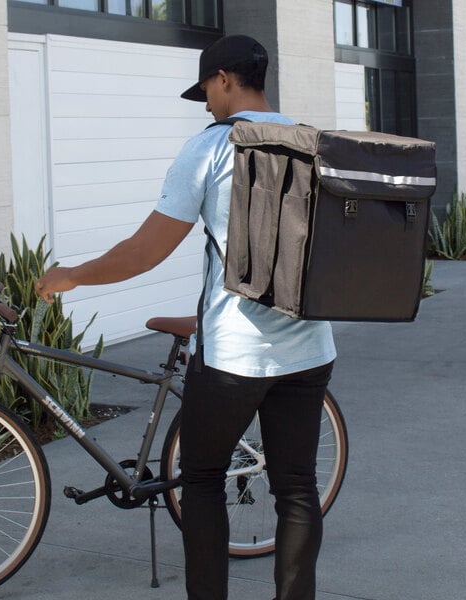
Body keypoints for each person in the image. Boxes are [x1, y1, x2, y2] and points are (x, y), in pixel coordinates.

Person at [35, 34, 336, 600]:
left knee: (200, 483)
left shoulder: (211, 149)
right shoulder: (314, 142)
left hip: (234, 356)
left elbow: (144, 251)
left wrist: (72, 274)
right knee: (296, 489)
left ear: (224, 79)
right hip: (310, 349)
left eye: (205, 90)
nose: (205, 104)